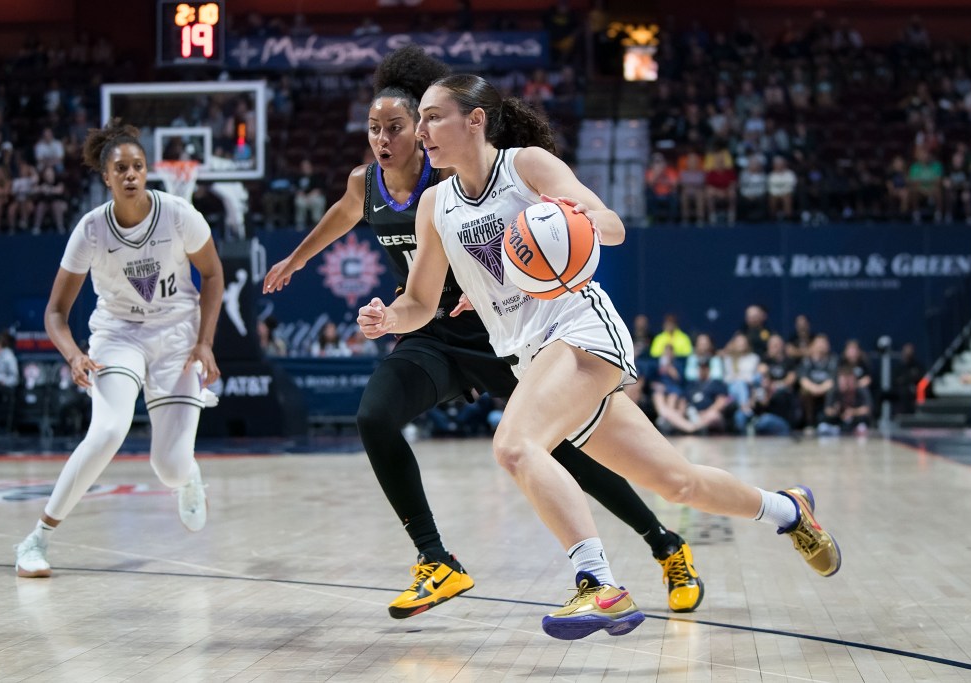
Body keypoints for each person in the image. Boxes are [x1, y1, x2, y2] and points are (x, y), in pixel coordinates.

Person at [357, 72, 841, 640]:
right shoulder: (435, 204)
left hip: (581, 328)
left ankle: (599, 585)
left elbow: (609, 227)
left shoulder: (527, 167)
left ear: (475, 120)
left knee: (515, 446)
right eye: (420, 121)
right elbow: (418, 302)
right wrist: (389, 319)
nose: (421, 131)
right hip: (530, 354)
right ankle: (787, 509)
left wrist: (570, 221)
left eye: (433, 117)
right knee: (676, 484)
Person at [263, 46, 706, 620]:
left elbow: (534, 216)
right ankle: (435, 559)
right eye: (377, 128)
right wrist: (298, 259)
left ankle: (664, 543)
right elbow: (343, 216)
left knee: (561, 449)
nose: (390, 138)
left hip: (502, 328)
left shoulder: (446, 167)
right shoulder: (366, 183)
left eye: (400, 125)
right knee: (374, 416)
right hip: (430, 330)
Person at [13, 120, 224, 578]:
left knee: (167, 468)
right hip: (118, 335)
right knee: (108, 430)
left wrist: (205, 342)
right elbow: (55, 313)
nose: (130, 174)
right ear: (106, 177)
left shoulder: (179, 214)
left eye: (138, 166)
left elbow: (212, 275)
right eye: (120, 168)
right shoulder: (90, 230)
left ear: (147, 171)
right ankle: (37, 539)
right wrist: (73, 354)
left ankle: (187, 475)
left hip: (176, 337)